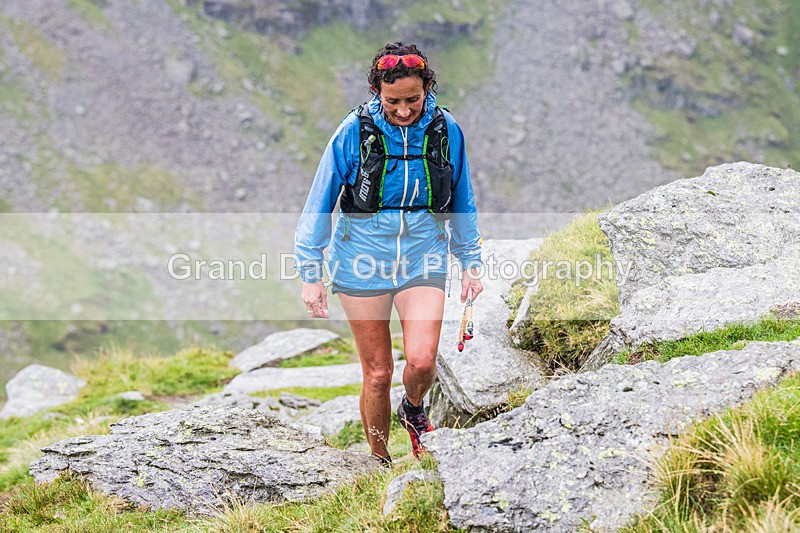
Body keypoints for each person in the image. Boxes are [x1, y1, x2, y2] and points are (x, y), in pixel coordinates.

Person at [294, 42, 483, 465]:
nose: (403, 110)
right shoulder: (354, 131)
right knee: (377, 373)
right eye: (392, 101)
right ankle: (380, 462)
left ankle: (413, 408)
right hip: (362, 257)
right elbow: (320, 201)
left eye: (412, 99)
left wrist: (471, 263)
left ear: (428, 88)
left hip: (423, 255)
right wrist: (311, 272)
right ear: (376, 92)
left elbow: (463, 199)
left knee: (421, 361)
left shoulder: (445, 129)